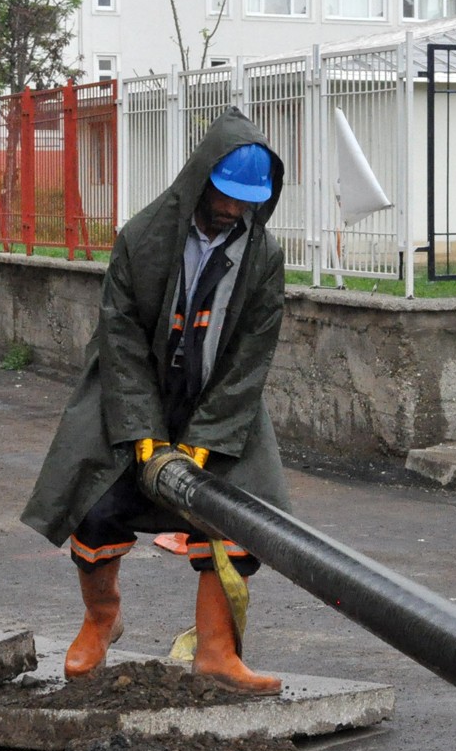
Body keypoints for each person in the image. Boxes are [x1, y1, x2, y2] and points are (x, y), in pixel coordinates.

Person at [22, 110, 290, 695]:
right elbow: (119, 341)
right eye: (224, 195)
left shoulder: (264, 257)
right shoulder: (141, 238)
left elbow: (250, 358)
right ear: (200, 180)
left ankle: (218, 651)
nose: (233, 210)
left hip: (218, 405)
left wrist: (205, 439)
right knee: (92, 497)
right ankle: (102, 620)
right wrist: (143, 430)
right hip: (135, 392)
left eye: (246, 202)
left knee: (244, 509)